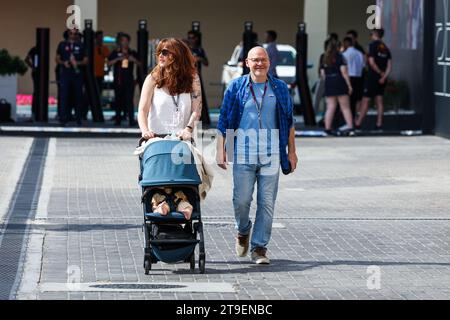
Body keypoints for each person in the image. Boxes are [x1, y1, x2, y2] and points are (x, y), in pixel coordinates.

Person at [216, 46, 298, 265]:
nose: (259, 63)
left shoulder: (280, 88)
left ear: (269, 62)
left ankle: (259, 247)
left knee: (267, 202)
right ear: (247, 63)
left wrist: (292, 152)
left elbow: (289, 122)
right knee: (241, 200)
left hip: (271, 152)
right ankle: (243, 230)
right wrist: (220, 149)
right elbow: (224, 119)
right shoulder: (236, 87)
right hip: (242, 151)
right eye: (255, 60)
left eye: (263, 60)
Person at [137, 38, 202, 143]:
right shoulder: (152, 78)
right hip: (156, 141)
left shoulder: (193, 78)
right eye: (159, 52)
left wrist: (188, 129)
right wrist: (145, 131)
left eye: (165, 52)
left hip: (182, 140)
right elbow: (142, 110)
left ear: (178, 55)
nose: (160, 56)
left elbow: (197, 110)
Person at [355, 28, 392, 130]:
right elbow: (389, 65)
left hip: (372, 77)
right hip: (382, 79)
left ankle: (358, 123)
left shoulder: (372, 45)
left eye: (371, 34)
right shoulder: (385, 48)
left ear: (375, 34)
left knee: (365, 100)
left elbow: (371, 62)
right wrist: (384, 77)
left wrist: (379, 73)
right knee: (379, 100)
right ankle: (379, 124)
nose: (370, 36)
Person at [320, 40, 354, 135]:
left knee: (330, 107)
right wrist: (349, 85)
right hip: (339, 81)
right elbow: (344, 72)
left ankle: (327, 129)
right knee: (345, 107)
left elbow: (323, 74)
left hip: (329, 82)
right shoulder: (340, 57)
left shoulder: (324, 57)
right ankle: (350, 128)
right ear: (338, 48)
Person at [55, 27, 88, 126]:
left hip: (77, 74)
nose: (73, 36)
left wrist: (76, 63)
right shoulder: (62, 45)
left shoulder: (81, 45)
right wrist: (63, 63)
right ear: (68, 34)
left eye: (75, 34)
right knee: (64, 96)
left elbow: (86, 60)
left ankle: (78, 118)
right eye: (71, 34)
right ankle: (63, 118)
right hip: (66, 74)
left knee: (78, 96)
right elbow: (57, 58)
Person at [108, 33, 141, 126]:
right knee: (118, 100)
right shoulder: (115, 53)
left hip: (129, 80)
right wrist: (118, 59)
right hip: (118, 80)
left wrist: (132, 59)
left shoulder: (132, 52)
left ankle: (131, 120)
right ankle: (118, 120)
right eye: (123, 41)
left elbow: (140, 64)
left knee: (129, 100)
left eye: (126, 41)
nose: (125, 43)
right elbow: (109, 63)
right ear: (120, 42)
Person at [187, 30, 211, 125]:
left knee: (200, 98)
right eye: (189, 37)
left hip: (197, 77)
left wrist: (199, 58)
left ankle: (202, 119)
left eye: (192, 37)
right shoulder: (187, 49)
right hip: (187, 77)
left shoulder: (200, 50)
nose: (190, 39)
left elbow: (207, 63)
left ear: (196, 38)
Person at [342, 36, 365, 120]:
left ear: (346, 43)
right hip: (358, 78)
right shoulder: (359, 53)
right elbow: (363, 66)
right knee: (356, 100)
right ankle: (355, 118)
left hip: (349, 77)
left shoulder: (344, 54)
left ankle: (348, 119)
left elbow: (343, 68)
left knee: (347, 100)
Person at [94, 31, 110, 103]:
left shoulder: (104, 48)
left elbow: (109, 59)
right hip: (92, 74)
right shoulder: (91, 48)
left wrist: (107, 69)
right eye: (99, 38)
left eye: (101, 38)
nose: (100, 39)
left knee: (99, 91)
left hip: (100, 73)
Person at [25, 46, 38, 121]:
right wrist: (33, 67)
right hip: (36, 73)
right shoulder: (34, 49)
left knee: (36, 92)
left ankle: (34, 113)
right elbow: (26, 59)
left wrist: (33, 67)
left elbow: (26, 59)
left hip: (37, 72)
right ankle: (33, 113)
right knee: (36, 92)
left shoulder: (34, 49)